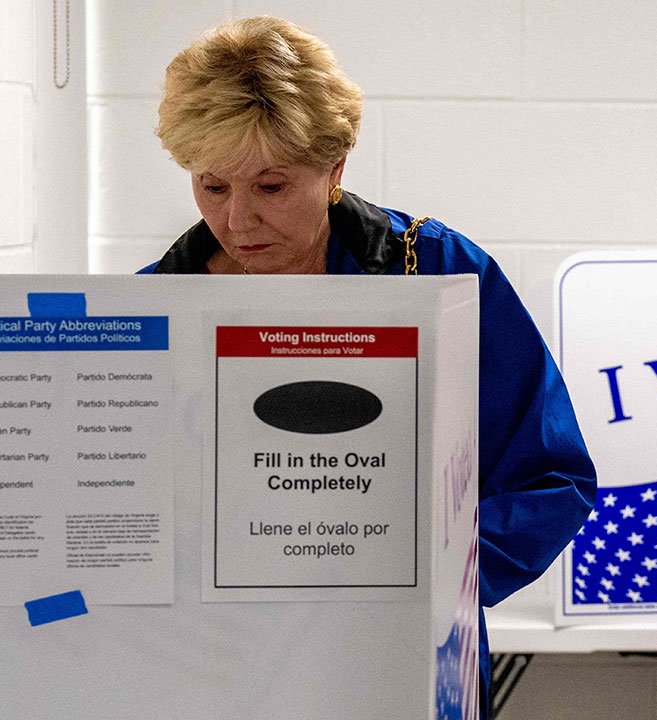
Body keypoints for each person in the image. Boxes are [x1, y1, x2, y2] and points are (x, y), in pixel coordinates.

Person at [139, 16, 597, 718]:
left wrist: (426, 583)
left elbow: (550, 479)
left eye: (270, 187)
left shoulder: (440, 270)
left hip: (402, 663)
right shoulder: (147, 311)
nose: (236, 222)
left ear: (335, 171)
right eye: (211, 187)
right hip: (211, 669)